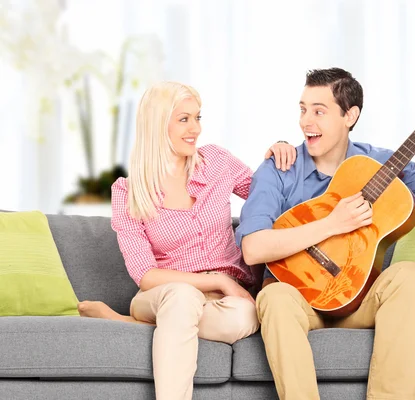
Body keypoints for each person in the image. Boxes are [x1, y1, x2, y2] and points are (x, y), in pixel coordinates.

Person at [235, 67, 415, 400]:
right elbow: (253, 249)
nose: (306, 121)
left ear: (350, 115)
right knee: (273, 297)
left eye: (319, 111)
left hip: (358, 301)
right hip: (298, 301)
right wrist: (333, 223)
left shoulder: (381, 165)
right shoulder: (280, 168)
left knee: (409, 274)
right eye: (303, 109)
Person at [76, 81, 297, 400]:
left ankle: (132, 323)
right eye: (184, 119)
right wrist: (218, 280)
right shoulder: (128, 191)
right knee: (181, 298)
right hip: (163, 294)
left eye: (198, 117)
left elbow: (272, 200)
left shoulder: (217, 162)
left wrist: (278, 157)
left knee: (246, 316)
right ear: (157, 123)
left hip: (226, 303)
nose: (195, 128)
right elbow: (146, 275)